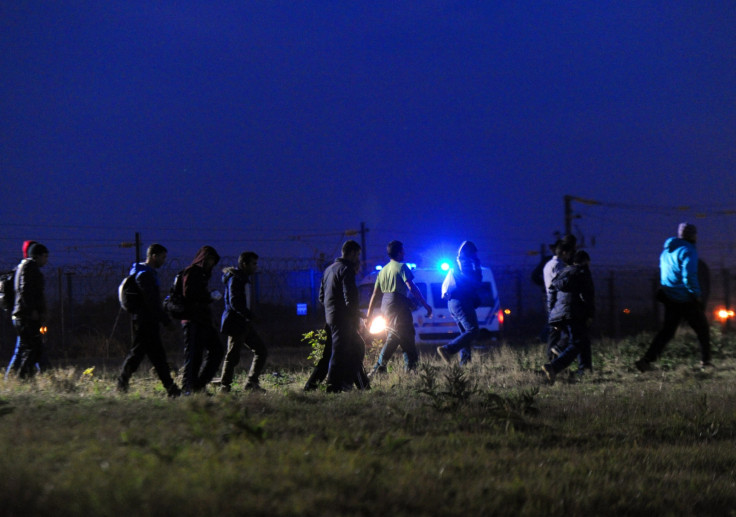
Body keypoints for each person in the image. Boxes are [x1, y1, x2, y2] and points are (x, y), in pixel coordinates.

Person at [635, 223, 712, 372]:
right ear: (692, 235)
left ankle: (646, 360)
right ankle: (706, 362)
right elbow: (689, 276)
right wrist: (696, 295)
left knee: (667, 332)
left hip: (670, 297)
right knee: (702, 329)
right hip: (685, 298)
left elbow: (664, 274)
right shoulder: (688, 250)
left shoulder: (666, 252)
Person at [116, 244, 181, 397]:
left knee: (155, 356)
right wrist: (166, 320)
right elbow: (151, 301)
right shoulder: (144, 275)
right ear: (154, 256)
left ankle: (171, 389)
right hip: (145, 320)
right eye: (162, 257)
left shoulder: (145, 273)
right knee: (140, 354)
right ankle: (121, 383)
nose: (164, 261)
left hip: (147, 320)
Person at [366, 240, 432, 375]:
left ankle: (411, 369)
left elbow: (375, 294)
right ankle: (378, 368)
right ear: (399, 252)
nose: (404, 253)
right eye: (403, 251)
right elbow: (411, 286)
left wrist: (369, 314)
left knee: (406, 335)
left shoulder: (383, 271)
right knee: (395, 335)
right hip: (398, 304)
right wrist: (425, 304)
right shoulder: (402, 267)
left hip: (386, 305)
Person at [319, 240, 369, 392]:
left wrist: (332, 310)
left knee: (353, 349)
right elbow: (350, 298)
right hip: (343, 319)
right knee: (342, 352)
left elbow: (321, 297)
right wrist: (355, 316)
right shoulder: (346, 269)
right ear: (352, 253)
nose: (358, 258)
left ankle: (362, 386)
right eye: (358, 254)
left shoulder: (329, 269)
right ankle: (334, 387)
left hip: (331, 317)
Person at [542, 250, 595, 383]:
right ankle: (554, 367)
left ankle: (585, 370)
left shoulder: (562, 272)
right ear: (586, 261)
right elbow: (587, 295)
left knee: (583, 340)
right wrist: (590, 314)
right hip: (576, 312)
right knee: (577, 342)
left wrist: (552, 316)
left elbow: (552, 292)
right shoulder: (583, 273)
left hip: (560, 313)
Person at [217, 251, 268, 392]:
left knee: (261, 351)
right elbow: (235, 302)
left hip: (243, 322)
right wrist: (250, 316)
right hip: (236, 323)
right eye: (253, 264)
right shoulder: (236, 279)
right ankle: (225, 386)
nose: (255, 267)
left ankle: (251, 383)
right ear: (244, 264)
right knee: (233, 355)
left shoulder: (243, 279)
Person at [180, 245, 224, 394]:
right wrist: (209, 296)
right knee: (195, 356)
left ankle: (198, 385)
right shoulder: (192, 272)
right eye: (209, 260)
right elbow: (189, 295)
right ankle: (190, 388)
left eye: (213, 261)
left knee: (216, 351)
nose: (211, 264)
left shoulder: (203, 275)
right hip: (192, 320)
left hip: (203, 320)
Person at [436, 241, 483, 366]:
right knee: (473, 330)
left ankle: (465, 363)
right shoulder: (466, 265)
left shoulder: (458, 264)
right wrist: (478, 266)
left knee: (465, 334)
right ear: (471, 253)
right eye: (475, 253)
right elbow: (477, 282)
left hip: (453, 303)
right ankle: (447, 349)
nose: (476, 255)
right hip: (462, 301)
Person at [12, 242, 49, 379]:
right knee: (33, 348)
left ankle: (25, 376)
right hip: (27, 316)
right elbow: (26, 290)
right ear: (38, 256)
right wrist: (32, 310)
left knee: (30, 347)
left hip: (23, 315)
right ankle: (23, 376)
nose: (46, 260)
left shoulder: (24, 267)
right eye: (45, 256)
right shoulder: (29, 268)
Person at [544, 237, 576, 360]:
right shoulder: (559, 266)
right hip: (559, 303)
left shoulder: (548, 265)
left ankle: (552, 360)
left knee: (554, 333)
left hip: (551, 301)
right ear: (564, 253)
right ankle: (555, 354)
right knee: (569, 334)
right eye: (568, 253)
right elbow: (561, 284)